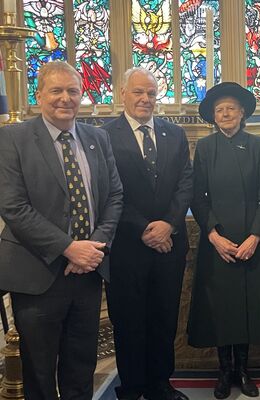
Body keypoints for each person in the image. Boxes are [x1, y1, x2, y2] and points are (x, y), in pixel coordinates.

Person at [0, 60, 123, 400]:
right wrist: (69, 247)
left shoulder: (97, 137)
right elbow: (13, 206)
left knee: (80, 363)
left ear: (82, 95)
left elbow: (114, 195)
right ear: (39, 95)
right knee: (39, 369)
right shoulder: (12, 138)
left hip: (88, 271)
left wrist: (94, 246)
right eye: (56, 90)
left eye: (73, 91)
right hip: (38, 272)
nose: (65, 98)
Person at [103, 68, 193, 400]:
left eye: (151, 93)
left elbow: (186, 182)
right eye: (138, 92)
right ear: (122, 93)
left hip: (169, 245)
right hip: (127, 246)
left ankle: (160, 383)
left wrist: (169, 224)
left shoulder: (174, 133)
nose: (145, 99)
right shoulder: (103, 135)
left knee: (163, 316)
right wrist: (143, 228)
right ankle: (132, 386)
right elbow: (107, 190)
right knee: (128, 320)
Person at [188, 82, 260, 399]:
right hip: (219, 244)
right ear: (213, 117)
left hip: (250, 241)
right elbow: (197, 198)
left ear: (242, 113)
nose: (225, 113)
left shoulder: (259, 146)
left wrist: (255, 236)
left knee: (247, 308)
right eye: (219, 110)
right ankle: (224, 371)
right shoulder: (204, 148)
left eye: (231, 108)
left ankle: (244, 368)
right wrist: (213, 235)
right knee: (221, 309)